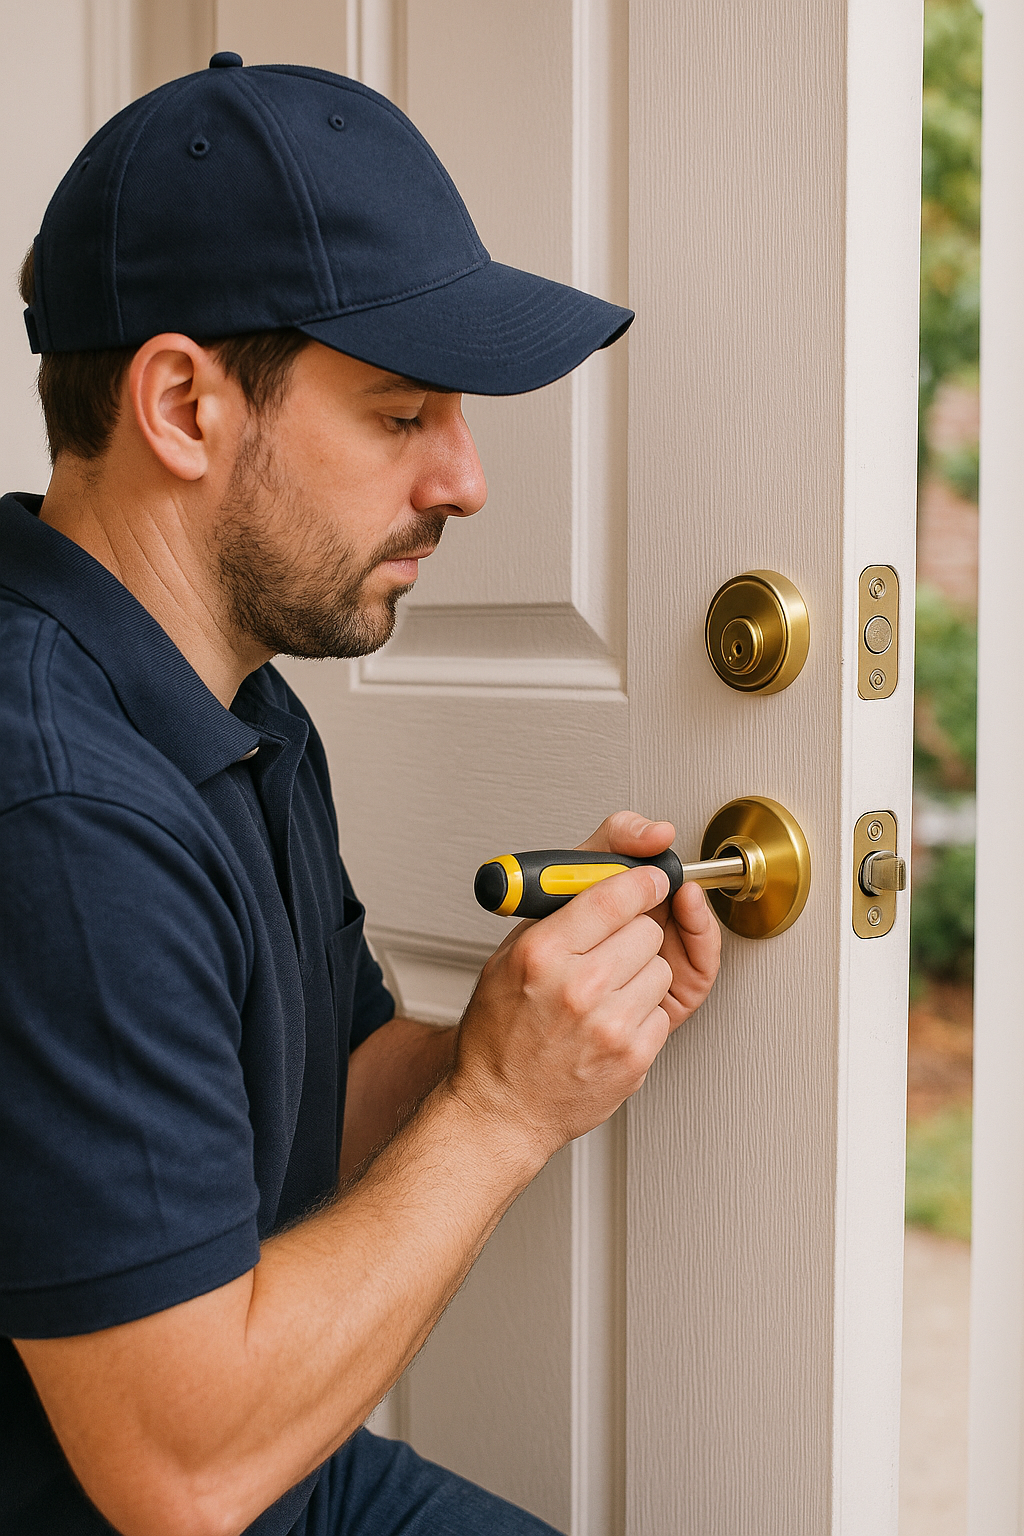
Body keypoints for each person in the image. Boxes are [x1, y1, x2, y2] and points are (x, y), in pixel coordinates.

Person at [0, 54, 721, 1536]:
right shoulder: (57, 805)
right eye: (403, 416)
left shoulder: (234, 707)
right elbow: (180, 1473)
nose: (464, 478)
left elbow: (313, 1108)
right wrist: (508, 1113)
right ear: (185, 405)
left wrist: (530, 1020)